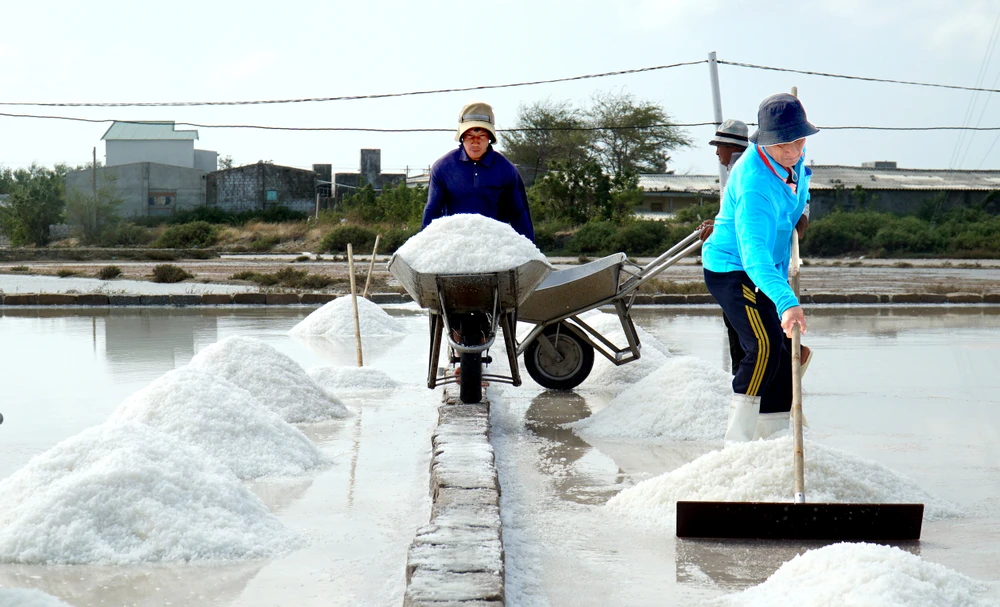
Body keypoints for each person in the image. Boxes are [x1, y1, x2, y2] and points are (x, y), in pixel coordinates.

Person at [701, 93, 818, 442]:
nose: (793, 151)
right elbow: (754, 257)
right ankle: (737, 442)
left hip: (771, 268)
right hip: (734, 268)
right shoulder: (754, 185)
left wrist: (801, 213)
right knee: (764, 345)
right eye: (784, 144)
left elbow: (802, 184)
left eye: (799, 141)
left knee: (781, 354)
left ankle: (776, 435)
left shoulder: (794, 157)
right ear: (765, 140)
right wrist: (787, 302)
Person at [421, 101, 534, 241]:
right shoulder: (442, 167)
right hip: (453, 242)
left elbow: (519, 215)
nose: (475, 142)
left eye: (481, 136)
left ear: (490, 138)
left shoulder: (507, 170)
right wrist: (424, 244)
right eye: (470, 136)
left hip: (495, 243)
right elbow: (432, 212)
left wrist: (529, 248)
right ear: (462, 137)